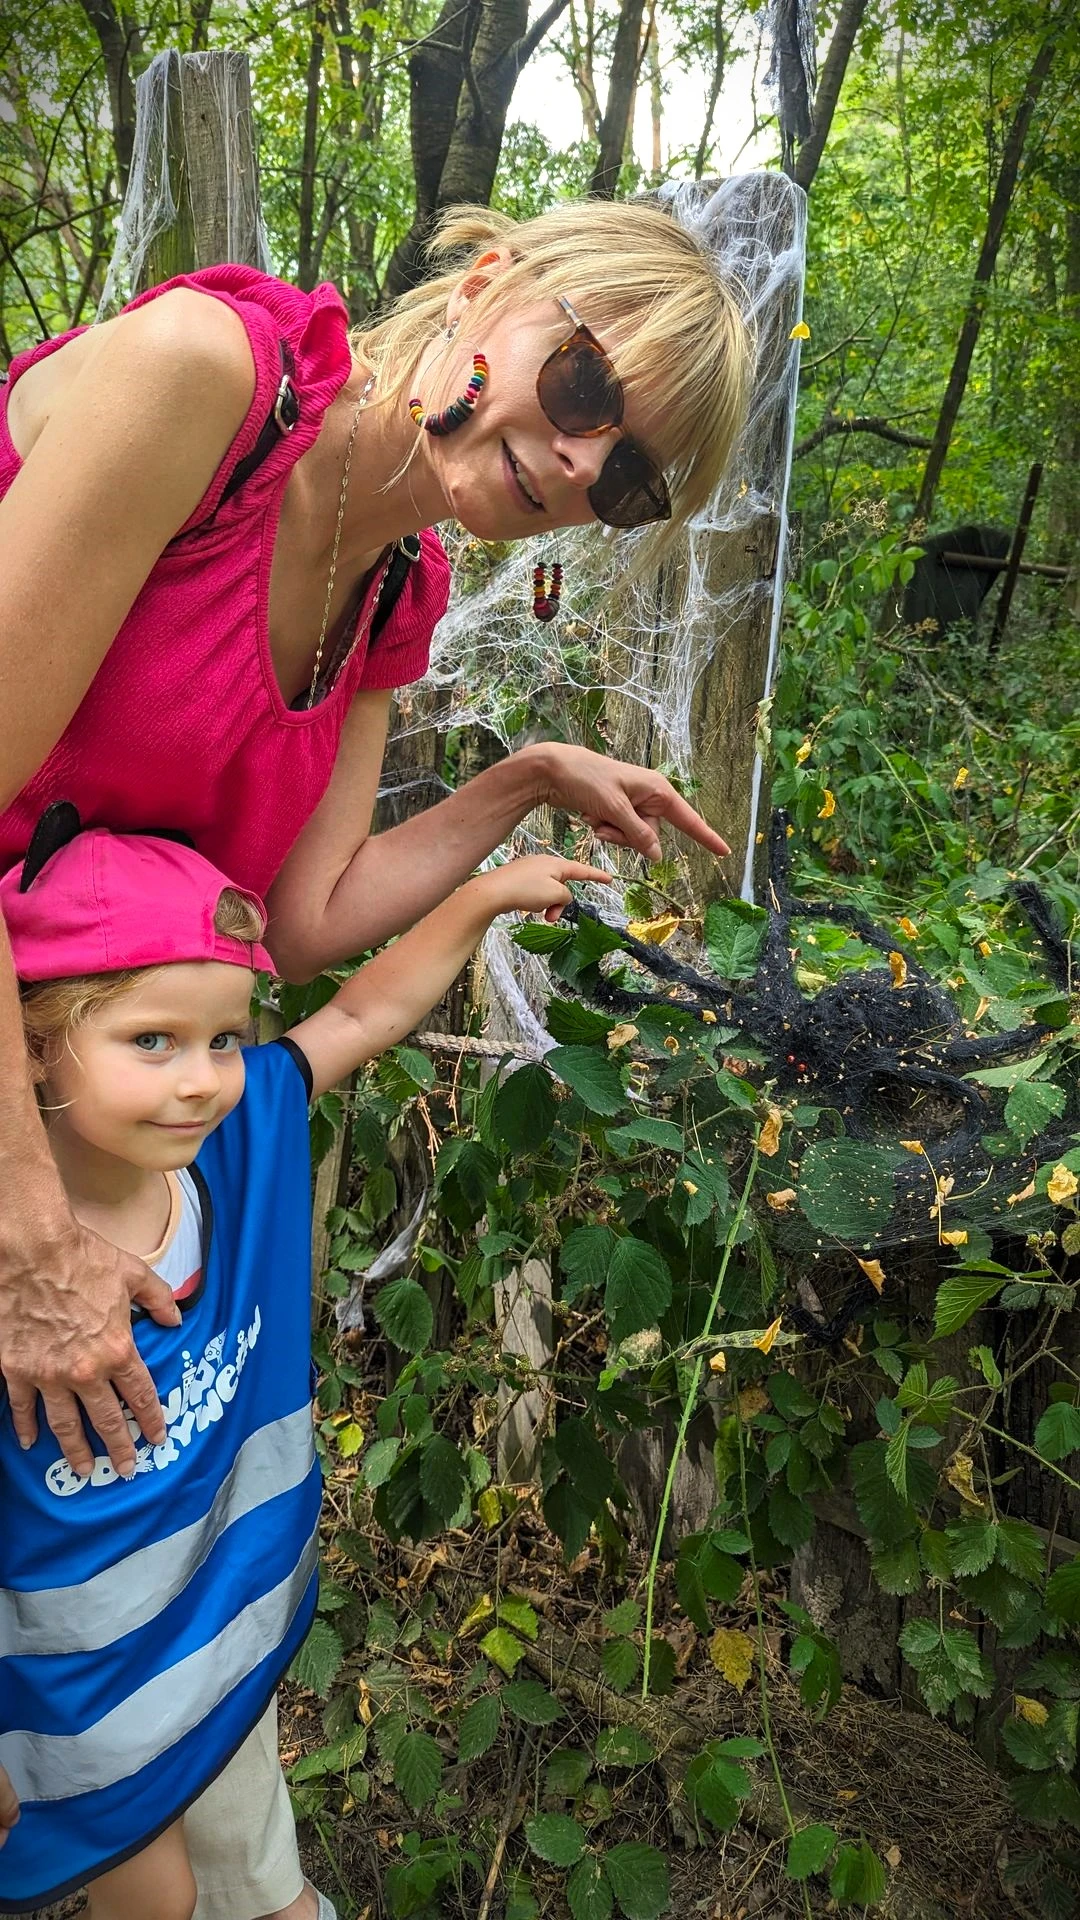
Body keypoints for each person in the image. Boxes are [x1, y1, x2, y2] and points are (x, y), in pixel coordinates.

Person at [0, 197, 750, 1485]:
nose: (581, 464)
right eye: (583, 384)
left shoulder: (397, 586)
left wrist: (526, 780)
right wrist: (26, 1237)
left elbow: (296, 925)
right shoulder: (203, 388)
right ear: (488, 282)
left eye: (627, 477)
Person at [0, 810, 612, 1918]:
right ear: (35, 1044)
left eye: (224, 1039)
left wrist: (482, 895)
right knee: (158, 1899)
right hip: (83, 1694)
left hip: (213, 1641)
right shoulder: (23, 1299)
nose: (203, 1081)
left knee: (263, 1884)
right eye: (153, 1041)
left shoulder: (236, 1147)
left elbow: (368, 1009)